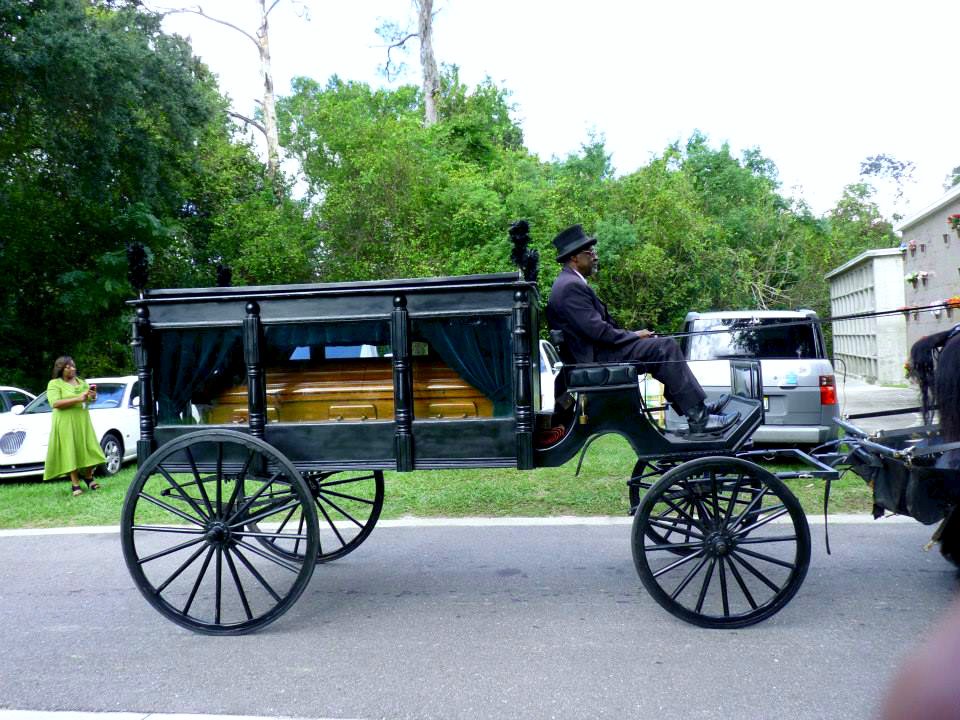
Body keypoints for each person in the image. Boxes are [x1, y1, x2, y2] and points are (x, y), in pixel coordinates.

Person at [545, 224, 739, 434]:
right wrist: (635, 335)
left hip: (597, 355)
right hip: (596, 360)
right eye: (590, 252)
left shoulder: (569, 283)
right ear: (575, 258)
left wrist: (637, 338)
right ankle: (699, 417)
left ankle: (695, 409)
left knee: (659, 346)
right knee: (663, 348)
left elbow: (598, 329)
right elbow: (598, 331)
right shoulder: (570, 286)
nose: (595, 257)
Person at [43, 356, 107, 496]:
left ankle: (88, 476)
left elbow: (88, 400)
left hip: (82, 420)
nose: (72, 369)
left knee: (90, 448)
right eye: (68, 367)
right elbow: (55, 403)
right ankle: (75, 483)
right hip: (65, 422)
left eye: (73, 366)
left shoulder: (82, 382)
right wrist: (78, 398)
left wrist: (93, 396)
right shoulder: (54, 383)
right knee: (70, 450)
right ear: (61, 369)